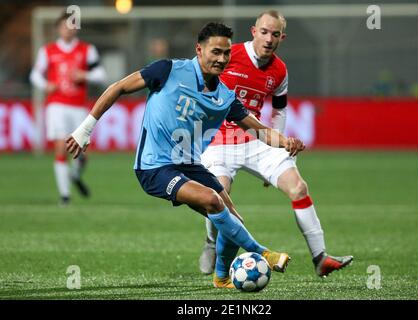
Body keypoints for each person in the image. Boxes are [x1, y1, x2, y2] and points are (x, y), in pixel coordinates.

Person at [66, 22, 306, 288]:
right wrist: (85, 129)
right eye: (215, 52)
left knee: (233, 219)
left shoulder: (225, 96)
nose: (221, 59)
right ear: (199, 49)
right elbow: (119, 87)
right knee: (211, 200)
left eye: (226, 53)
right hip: (154, 167)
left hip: (190, 165)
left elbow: (259, 130)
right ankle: (263, 253)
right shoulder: (168, 70)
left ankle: (222, 277)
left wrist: (285, 141)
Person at [199, 10, 353, 278]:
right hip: (218, 141)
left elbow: (279, 111)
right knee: (218, 195)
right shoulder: (228, 54)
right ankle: (211, 243)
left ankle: (320, 257)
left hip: (256, 139)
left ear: (283, 37)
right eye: (264, 32)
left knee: (298, 187)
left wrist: (278, 147)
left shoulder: (280, 70)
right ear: (253, 31)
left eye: (275, 34)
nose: (269, 39)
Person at [30, 12, 106, 205]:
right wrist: (45, 85)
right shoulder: (48, 51)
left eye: (72, 26)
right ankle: (65, 196)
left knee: (82, 155)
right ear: (58, 28)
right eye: (65, 26)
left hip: (79, 106)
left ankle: (74, 176)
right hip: (56, 105)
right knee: (61, 148)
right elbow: (35, 75)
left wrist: (84, 75)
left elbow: (101, 74)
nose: (68, 29)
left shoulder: (87, 49)